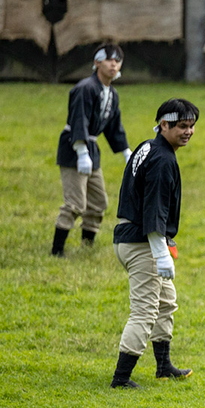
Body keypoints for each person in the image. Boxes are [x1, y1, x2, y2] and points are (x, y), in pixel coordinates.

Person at [109, 98, 198, 389]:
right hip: (142, 244)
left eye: (192, 126)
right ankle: (121, 378)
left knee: (166, 302)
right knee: (145, 311)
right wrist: (161, 253)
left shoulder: (148, 145)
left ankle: (163, 365)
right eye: (182, 126)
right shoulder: (163, 160)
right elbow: (154, 209)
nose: (189, 131)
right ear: (164, 125)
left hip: (130, 238)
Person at [51, 42, 131, 256]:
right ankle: (56, 251)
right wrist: (81, 151)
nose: (113, 65)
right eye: (109, 60)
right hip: (74, 149)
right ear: (97, 63)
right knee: (76, 203)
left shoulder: (111, 93)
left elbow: (114, 126)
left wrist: (126, 152)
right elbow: (79, 120)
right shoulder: (85, 88)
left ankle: (87, 247)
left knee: (98, 202)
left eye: (117, 61)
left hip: (92, 150)